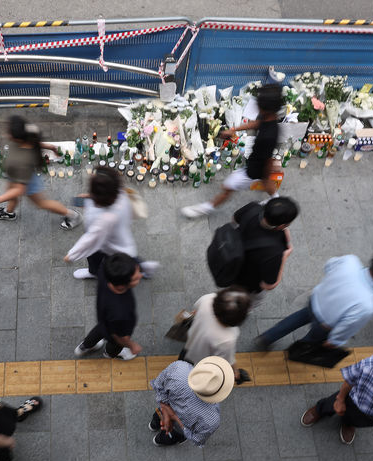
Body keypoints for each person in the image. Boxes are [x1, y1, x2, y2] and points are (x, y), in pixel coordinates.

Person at [256, 246, 373, 349]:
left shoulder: (351, 261)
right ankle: (297, 350)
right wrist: (334, 341)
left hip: (316, 299)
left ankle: (268, 336)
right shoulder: (368, 305)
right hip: (325, 324)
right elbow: (346, 327)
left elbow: (328, 266)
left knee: (296, 318)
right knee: (312, 340)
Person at [180, 84, 282, 218]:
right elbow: (256, 124)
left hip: (253, 171)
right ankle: (275, 199)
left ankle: (204, 209)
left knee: (227, 187)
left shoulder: (268, 136)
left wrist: (266, 174)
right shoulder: (269, 118)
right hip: (256, 164)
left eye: (259, 103)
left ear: (265, 108)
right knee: (267, 183)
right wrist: (233, 130)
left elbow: (267, 162)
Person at [0, 116, 81, 229]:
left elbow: (20, 189)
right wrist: (52, 147)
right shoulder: (28, 134)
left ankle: (73, 215)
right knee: (11, 194)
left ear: (17, 138)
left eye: (8, 132)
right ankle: (9, 212)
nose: (6, 133)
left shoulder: (23, 160)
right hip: (14, 176)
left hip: (27, 182)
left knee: (42, 203)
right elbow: (37, 143)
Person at [63, 166, 159, 280]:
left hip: (107, 245)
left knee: (96, 259)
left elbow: (90, 239)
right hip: (122, 240)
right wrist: (91, 198)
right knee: (130, 257)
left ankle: (94, 272)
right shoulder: (121, 194)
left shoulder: (104, 219)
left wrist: (71, 255)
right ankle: (144, 268)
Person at [149, 356, 234, 447]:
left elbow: (158, 385)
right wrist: (175, 418)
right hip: (179, 430)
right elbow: (197, 439)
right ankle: (159, 440)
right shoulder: (212, 420)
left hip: (162, 409)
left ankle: (154, 424)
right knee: (167, 437)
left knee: (157, 418)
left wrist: (165, 409)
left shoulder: (179, 368)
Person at [225, 198, 298, 303]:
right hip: (246, 282)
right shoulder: (274, 251)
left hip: (231, 264)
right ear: (282, 225)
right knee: (247, 302)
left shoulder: (253, 207)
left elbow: (234, 220)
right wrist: (285, 256)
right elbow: (268, 285)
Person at [74, 253, 143, 360]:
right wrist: (131, 345)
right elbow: (120, 337)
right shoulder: (122, 310)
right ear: (121, 285)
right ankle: (110, 353)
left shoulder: (105, 272)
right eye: (135, 278)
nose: (140, 276)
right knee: (115, 342)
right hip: (116, 328)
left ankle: (85, 346)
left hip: (103, 317)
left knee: (100, 330)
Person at [180, 286, 251, 382]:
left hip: (189, 346)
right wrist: (236, 372)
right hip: (201, 361)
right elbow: (226, 361)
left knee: (181, 367)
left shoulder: (208, 299)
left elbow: (194, 312)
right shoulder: (227, 339)